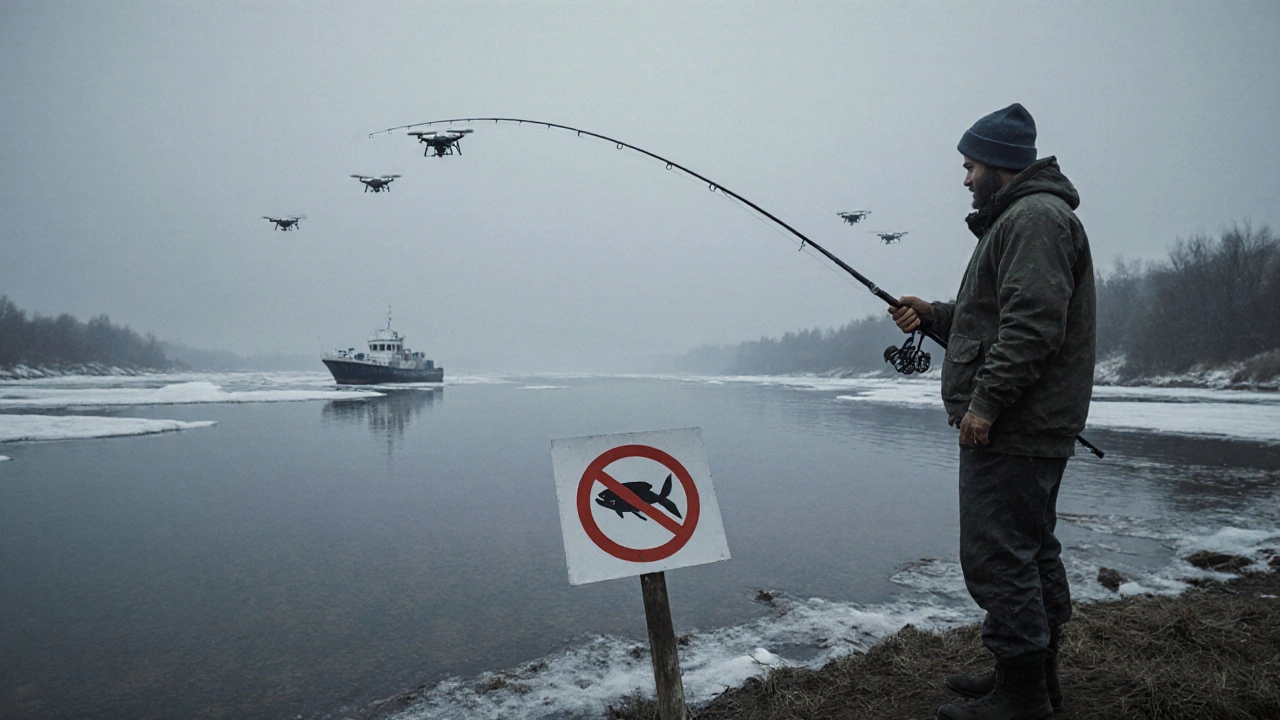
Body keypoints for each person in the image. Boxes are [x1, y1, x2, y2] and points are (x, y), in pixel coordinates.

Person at [889, 103, 1095, 720]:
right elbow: (994, 320)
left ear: (998, 165)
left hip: (1014, 426)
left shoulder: (1033, 219)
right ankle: (1030, 677)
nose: (965, 179)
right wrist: (934, 315)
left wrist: (985, 404)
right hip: (1028, 424)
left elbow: (1033, 327)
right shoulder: (1024, 218)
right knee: (1030, 549)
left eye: (970, 166)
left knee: (998, 555)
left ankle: (1023, 698)